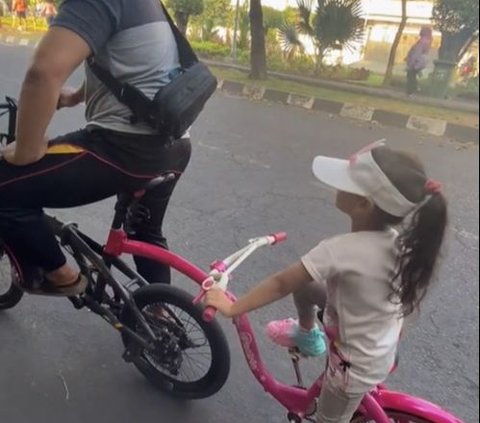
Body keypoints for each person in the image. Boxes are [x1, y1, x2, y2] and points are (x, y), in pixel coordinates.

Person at [205, 141, 448, 423]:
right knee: (308, 285)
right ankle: (307, 335)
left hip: (351, 368)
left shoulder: (340, 250)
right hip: (380, 339)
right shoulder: (403, 245)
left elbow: (282, 282)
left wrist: (233, 307)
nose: (337, 186)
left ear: (363, 204)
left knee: (329, 419)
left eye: (345, 183)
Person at [0, 0, 191, 296]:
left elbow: (43, 73)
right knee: (146, 231)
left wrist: (26, 149)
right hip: (176, 146)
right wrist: (76, 97)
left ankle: (60, 274)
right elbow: (127, 69)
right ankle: (159, 312)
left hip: (124, 149)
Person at [405, 26, 433, 96]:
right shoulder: (428, 40)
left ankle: (411, 91)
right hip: (421, 61)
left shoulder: (422, 41)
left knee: (411, 75)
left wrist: (411, 63)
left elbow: (416, 53)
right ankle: (415, 89)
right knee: (413, 75)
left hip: (417, 61)